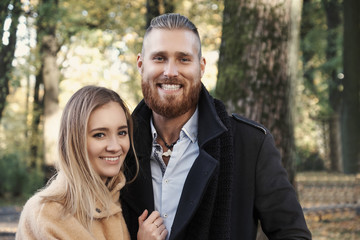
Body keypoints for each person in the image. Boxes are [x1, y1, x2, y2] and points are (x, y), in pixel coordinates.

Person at [120, 13, 311, 240]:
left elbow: (293, 234)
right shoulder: (117, 148)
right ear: (141, 64)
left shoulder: (250, 144)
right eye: (159, 58)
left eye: (183, 59)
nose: (170, 71)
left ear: (201, 67)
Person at [16, 86, 168, 240]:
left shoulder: (124, 201)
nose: (115, 147)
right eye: (100, 135)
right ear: (75, 141)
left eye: (122, 132)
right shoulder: (46, 214)